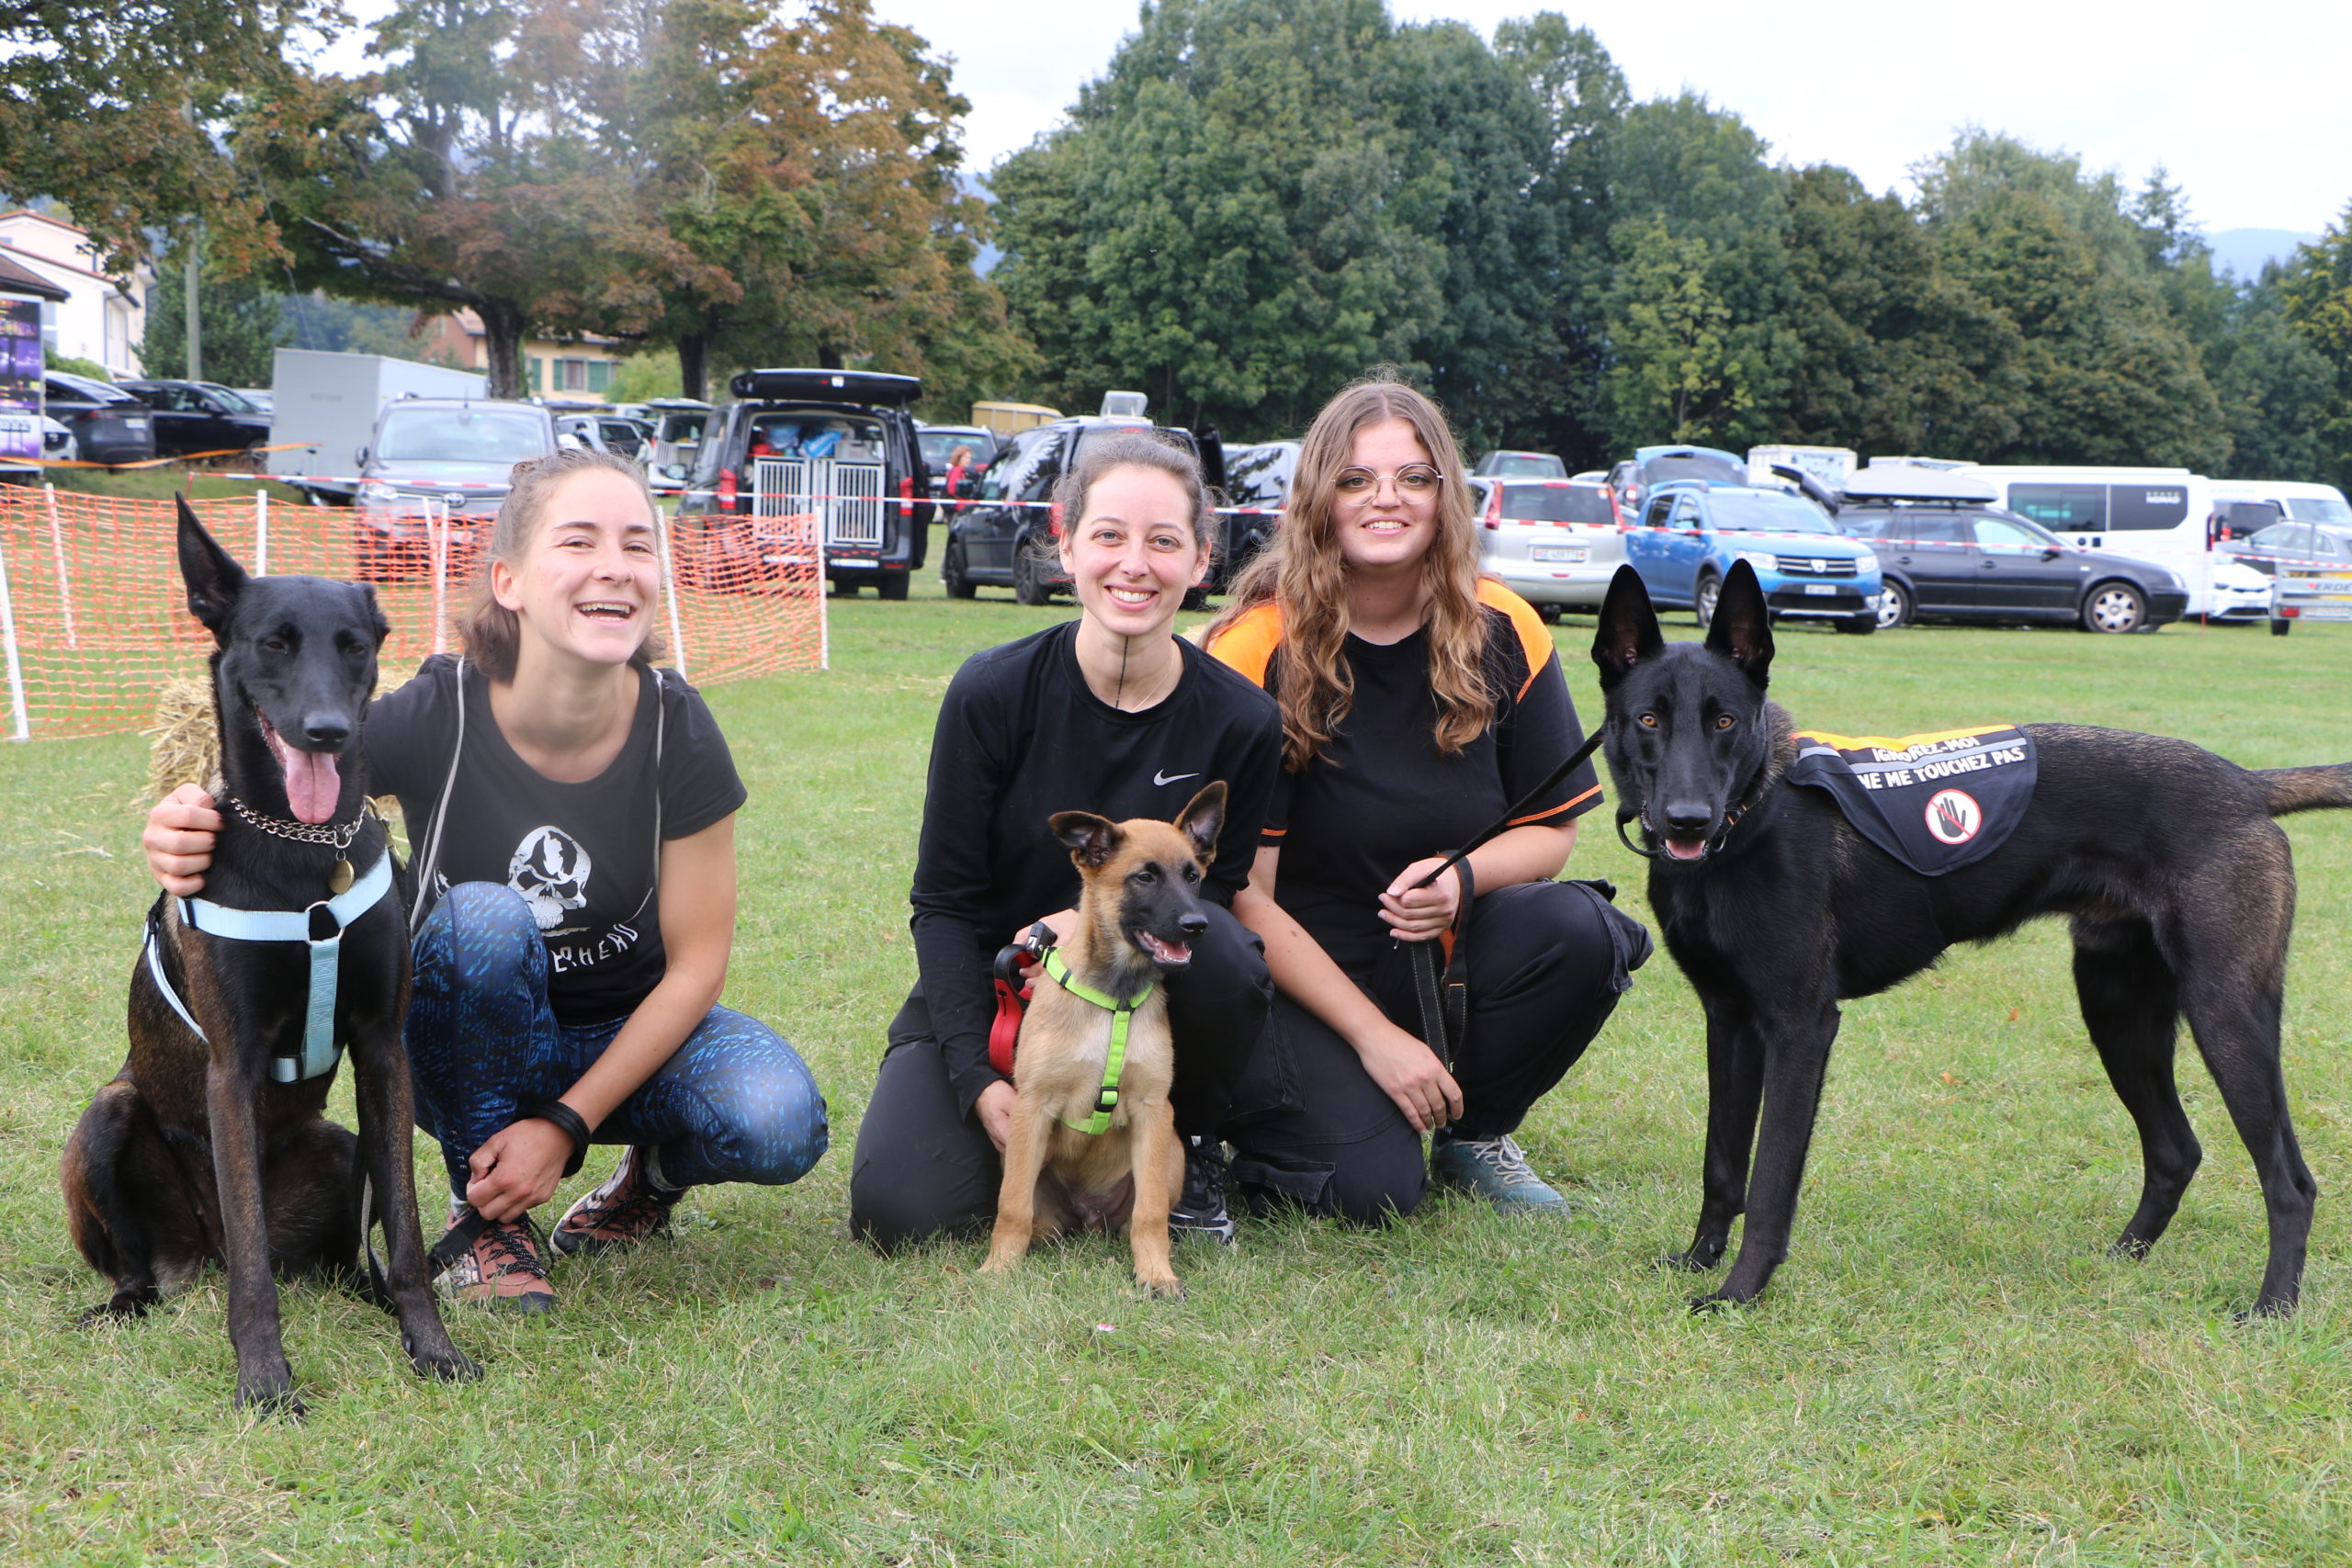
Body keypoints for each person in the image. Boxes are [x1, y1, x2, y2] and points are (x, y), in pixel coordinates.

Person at [141, 448, 827, 1312]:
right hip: (461, 1041)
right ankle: (484, 1215)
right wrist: (185, 813)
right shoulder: (441, 711)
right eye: (578, 541)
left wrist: (566, 1124)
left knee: (779, 1119)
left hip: (622, 1035)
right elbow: (286, 767)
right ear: (508, 580)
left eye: (637, 543)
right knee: (484, 920)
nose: (613, 566)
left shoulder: (677, 726)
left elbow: (696, 968)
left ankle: (642, 1182)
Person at [1203, 377, 1650, 1224]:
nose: (1387, 499)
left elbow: (1551, 833)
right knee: (1372, 1192)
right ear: (1318, 497)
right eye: (1356, 479)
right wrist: (1374, 1037)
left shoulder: (1504, 625)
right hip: (1293, 975)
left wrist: (1460, 879)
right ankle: (1254, 1121)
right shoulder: (1257, 646)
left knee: (1581, 931)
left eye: (1413, 477)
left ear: (1446, 495)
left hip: (1433, 961)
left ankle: (1476, 1130)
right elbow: (1239, 895)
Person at [850, 431, 1284, 1250]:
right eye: (1110, 534)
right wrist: (976, 1076)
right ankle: (1019, 1132)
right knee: (900, 1208)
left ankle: (1188, 1140)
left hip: (1146, 990)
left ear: (1202, 558)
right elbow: (942, 902)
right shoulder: (992, 690)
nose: (1135, 564)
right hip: (999, 996)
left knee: (1226, 951)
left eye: (1164, 541)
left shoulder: (1244, 719)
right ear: (1068, 543)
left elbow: (1216, 894)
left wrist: (1076, 920)